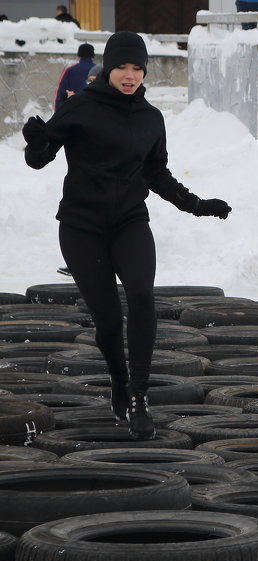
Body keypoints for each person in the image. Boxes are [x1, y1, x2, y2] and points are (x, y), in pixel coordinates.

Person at [22, 31, 231, 440]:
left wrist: (196, 204)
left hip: (130, 222)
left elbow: (156, 173)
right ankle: (118, 381)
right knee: (107, 321)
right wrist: (36, 143)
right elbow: (40, 158)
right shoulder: (79, 107)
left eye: (138, 68)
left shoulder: (151, 118)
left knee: (141, 294)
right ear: (109, 68)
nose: (130, 75)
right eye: (123, 67)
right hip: (82, 228)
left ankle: (138, 396)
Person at [54, 43, 94, 110]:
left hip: (74, 110)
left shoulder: (70, 70)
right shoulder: (100, 70)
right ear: (93, 56)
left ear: (78, 55)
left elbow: (62, 93)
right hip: (95, 111)